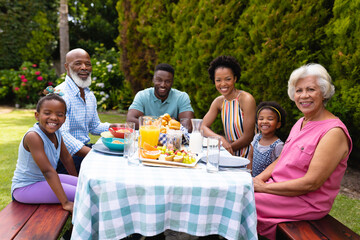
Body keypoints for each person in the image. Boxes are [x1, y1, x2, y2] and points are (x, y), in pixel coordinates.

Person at [254, 63, 352, 240]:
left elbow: (311, 184)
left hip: (305, 201)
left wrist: (265, 188)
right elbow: (283, 158)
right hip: (279, 190)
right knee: (236, 194)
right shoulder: (301, 122)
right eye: (298, 90)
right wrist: (259, 179)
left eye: (311, 89)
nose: (304, 95)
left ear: (323, 92)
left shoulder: (333, 132)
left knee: (242, 203)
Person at [55, 48, 120, 174]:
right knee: (110, 166)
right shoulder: (60, 95)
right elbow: (62, 136)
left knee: (119, 156)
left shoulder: (89, 95)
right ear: (66, 67)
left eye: (88, 64)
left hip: (83, 150)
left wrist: (116, 128)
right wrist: (92, 154)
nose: (84, 67)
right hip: (64, 157)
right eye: (78, 63)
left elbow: (94, 126)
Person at [11, 94, 78, 213]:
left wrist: (76, 179)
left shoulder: (57, 133)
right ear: (37, 115)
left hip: (43, 181)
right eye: (47, 113)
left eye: (59, 114)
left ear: (65, 118)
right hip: (25, 187)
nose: (54, 118)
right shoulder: (33, 136)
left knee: (86, 187)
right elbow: (48, 171)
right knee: (82, 194)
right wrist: (66, 202)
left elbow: (66, 158)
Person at [201, 55, 256, 157]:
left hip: (249, 155)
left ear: (235, 78)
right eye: (218, 80)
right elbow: (203, 127)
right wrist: (220, 139)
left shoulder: (246, 99)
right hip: (230, 153)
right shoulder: (219, 101)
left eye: (228, 79)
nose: (223, 84)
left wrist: (227, 149)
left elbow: (249, 137)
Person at [126, 63, 194, 130]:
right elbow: (130, 121)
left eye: (167, 81)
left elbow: (188, 126)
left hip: (171, 140)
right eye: (159, 80)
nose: (163, 85)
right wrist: (167, 123)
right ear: (153, 80)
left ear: (172, 82)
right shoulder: (142, 95)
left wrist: (148, 124)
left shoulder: (181, 97)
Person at [247, 101, 286, 177]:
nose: (264, 121)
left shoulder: (278, 146)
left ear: (278, 124)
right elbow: (250, 156)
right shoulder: (257, 138)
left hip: (266, 184)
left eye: (270, 119)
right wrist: (248, 175)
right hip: (252, 180)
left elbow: (279, 168)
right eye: (261, 119)